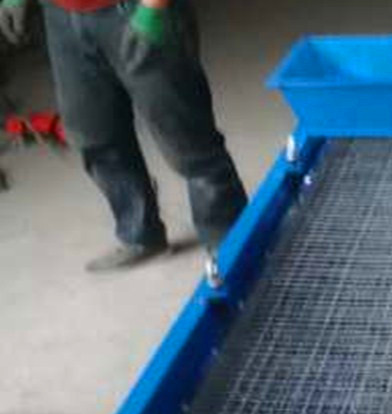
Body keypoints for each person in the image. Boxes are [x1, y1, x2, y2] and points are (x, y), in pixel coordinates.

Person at [0, 0, 246, 272]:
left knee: (185, 134)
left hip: (134, 10)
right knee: (94, 133)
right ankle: (140, 235)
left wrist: (154, 9)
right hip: (61, 13)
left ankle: (228, 236)